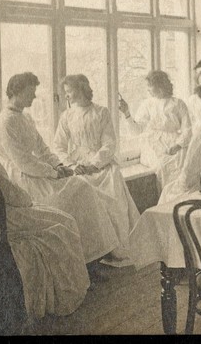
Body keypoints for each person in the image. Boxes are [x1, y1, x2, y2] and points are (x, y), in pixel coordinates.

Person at [0, 96, 90, 320]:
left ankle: (64, 290)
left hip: (4, 210)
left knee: (63, 218)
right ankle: (64, 297)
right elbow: (4, 188)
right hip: (0, 218)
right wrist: (26, 200)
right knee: (63, 225)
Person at [0, 72, 122, 265]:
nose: (34, 97)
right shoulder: (6, 122)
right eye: (30, 92)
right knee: (77, 193)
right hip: (22, 179)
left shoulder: (24, 117)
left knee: (82, 188)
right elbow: (23, 162)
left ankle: (90, 258)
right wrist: (53, 173)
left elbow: (42, 149)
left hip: (37, 173)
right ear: (17, 92)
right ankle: (82, 262)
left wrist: (59, 166)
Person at [53, 74, 140, 263]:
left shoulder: (101, 112)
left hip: (102, 166)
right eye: (65, 92)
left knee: (112, 199)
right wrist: (72, 165)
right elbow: (58, 146)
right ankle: (93, 253)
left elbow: (109, 144)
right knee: (81, 193)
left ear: (82, 89)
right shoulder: (66, 116)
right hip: (78, 166)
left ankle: (114, 249)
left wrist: (94, 164)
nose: (67, 96)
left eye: (70, 91)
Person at [118, 70, 191, 190]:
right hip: (154, 144)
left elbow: (187, 130)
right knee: (162, 166)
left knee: (181, 167)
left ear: (160, 86)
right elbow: (137, 130)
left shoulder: (178, 104)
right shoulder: (147, 104)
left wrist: (178, 145)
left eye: (150, 86)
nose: (148, 90)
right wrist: (127, 113)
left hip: (176, 144)